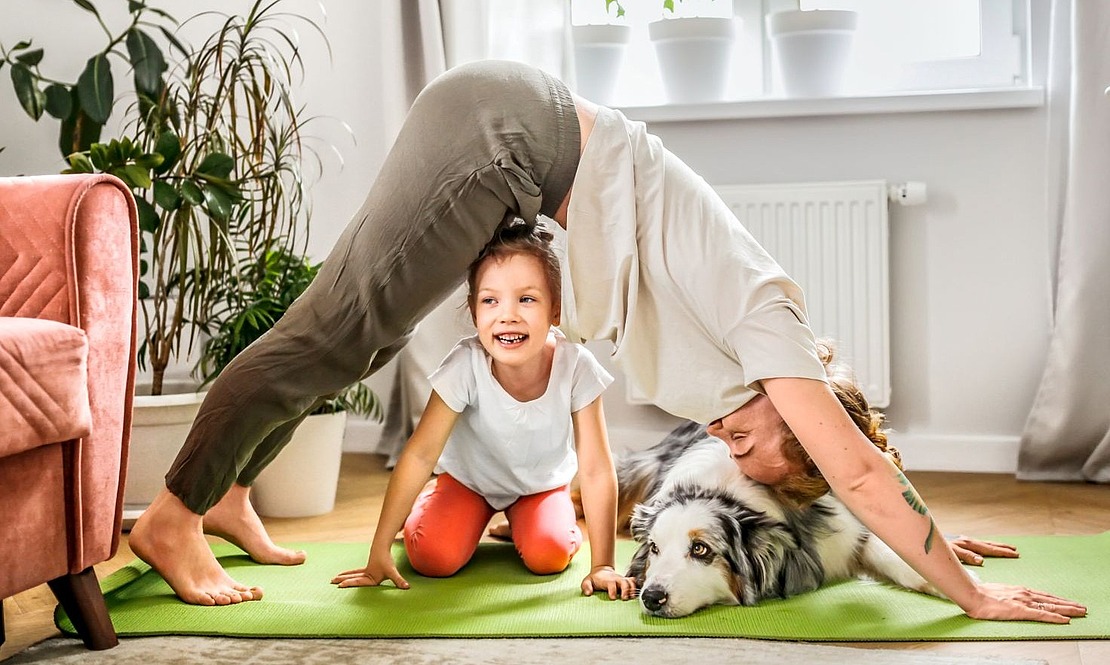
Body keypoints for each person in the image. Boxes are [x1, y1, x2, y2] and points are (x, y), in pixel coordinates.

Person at [130, 59, 1086, 623]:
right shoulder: (769, 327)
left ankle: (229, 493)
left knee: (360, 341)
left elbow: (857, 470)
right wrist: (969, 595)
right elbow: (861, 469)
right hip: (502, 136)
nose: (732, 447)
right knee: (337, 334)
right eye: (754, 442)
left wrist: (922, 535)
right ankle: (174, 512)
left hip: (516, 147)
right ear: (793, 403)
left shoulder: (769, 373)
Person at [329, 222, 633, 599]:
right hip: (468, 484)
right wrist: (377, 550)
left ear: (555, 311)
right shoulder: (465, 364)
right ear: (474, 313)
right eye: (491, 300)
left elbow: (596, 467)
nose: (508, 315)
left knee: (549, 556)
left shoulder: (577, 367)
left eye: (527, 299)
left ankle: (519, 522)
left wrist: (602, 564)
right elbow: (421, 453)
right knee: (432, 559)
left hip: (538, 487)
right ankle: (430, 508)